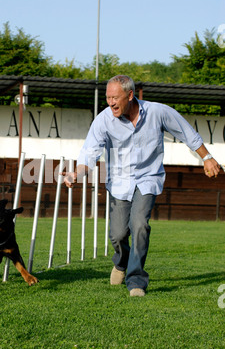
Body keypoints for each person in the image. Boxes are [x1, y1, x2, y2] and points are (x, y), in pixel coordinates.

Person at [62, 75, 221, 297]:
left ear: (130, 95)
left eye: (115, 98)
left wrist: (207, 157)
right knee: (118, 235)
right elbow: (89, 152)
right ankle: (121, 262)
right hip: (119, 182)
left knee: (139, 224)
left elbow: (186, 132)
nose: (110, 103)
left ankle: (136, 280)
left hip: (148, 178)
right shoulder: (104, 120)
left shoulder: (158, 112)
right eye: (108, 98)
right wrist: (75, 173)